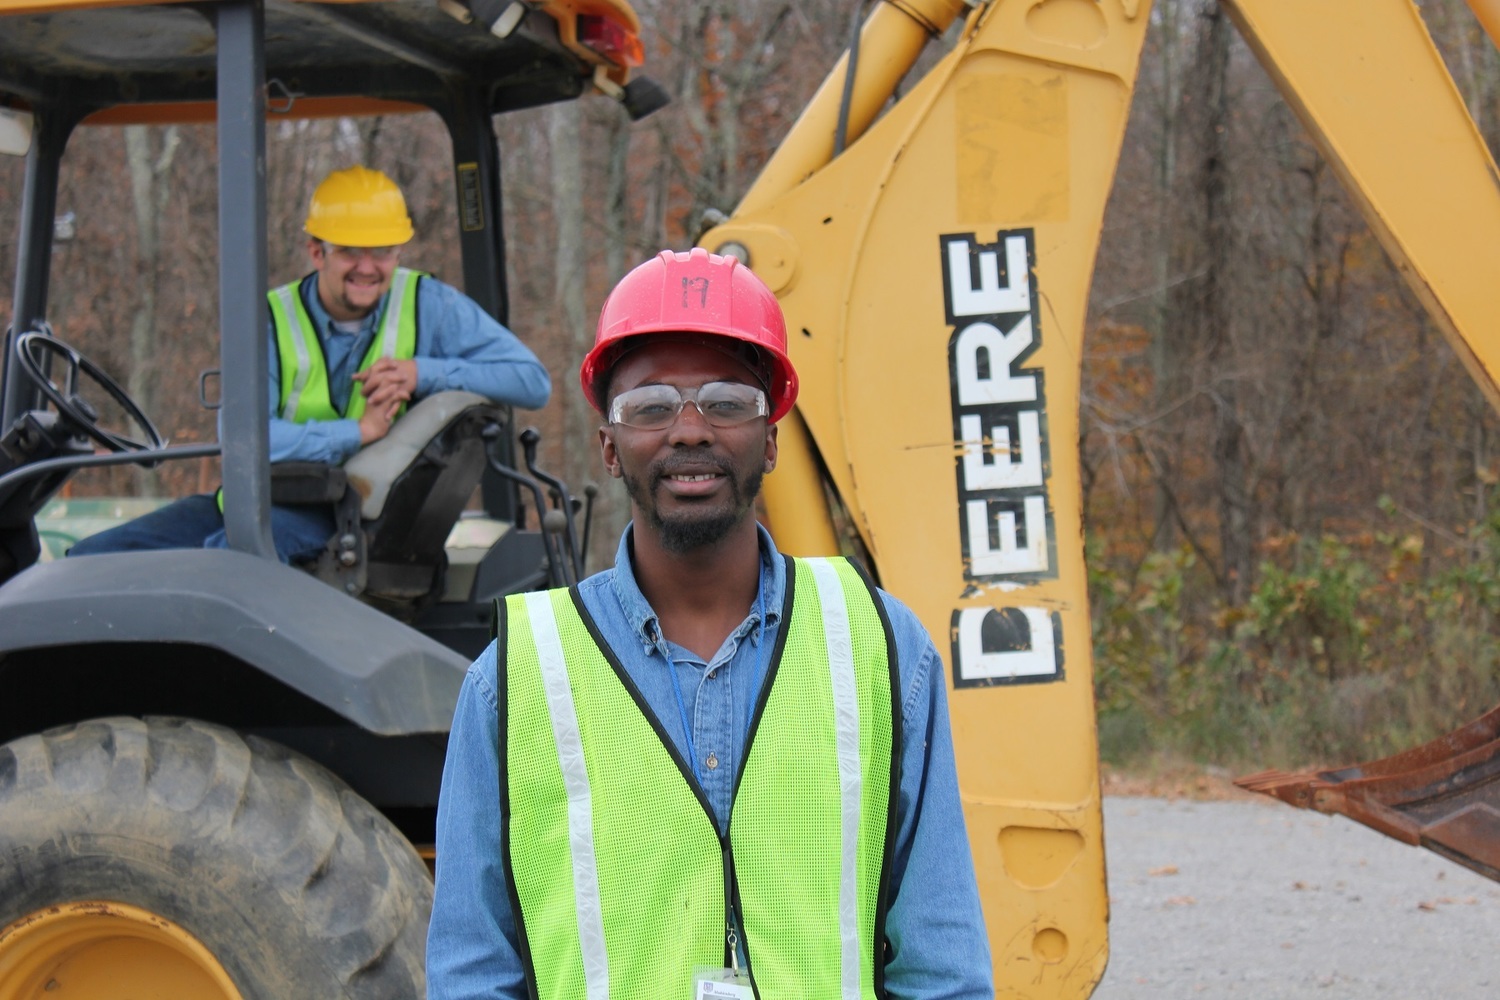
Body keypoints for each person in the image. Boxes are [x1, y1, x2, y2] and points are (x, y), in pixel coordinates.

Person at [427, 248, 992, 999]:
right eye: (650, 406)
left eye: (726, 401)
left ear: (771, 438)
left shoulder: (883, 650)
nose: (689, 430)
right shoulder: (515, 681)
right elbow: (472, 975)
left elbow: (942, 967)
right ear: (609, 444)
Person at [68, 166, 550, 563]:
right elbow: (247, 440)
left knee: (226, 562)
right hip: (249, 502)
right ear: (316, 251)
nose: (368, 267)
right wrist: (356, 433)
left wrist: (423, 372)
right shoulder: (270, 320)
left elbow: (531, 381)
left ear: (398, 252)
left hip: (340, 516)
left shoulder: (428, 305)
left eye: (382, 252)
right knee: (91, 560)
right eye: (349, 252)